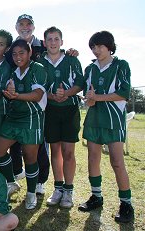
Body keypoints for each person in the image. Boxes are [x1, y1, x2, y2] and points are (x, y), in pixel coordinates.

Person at [78, 31, 134, 223]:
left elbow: (124, 93)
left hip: (113, 121)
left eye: (99, 46)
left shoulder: (121, 65)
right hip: (94, 119)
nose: (96, 50)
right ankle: (96, 196)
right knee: (93, 158)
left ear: (109, 46)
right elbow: (89, 99)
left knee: (117, 162)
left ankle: (126, 204)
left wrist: (97, 97)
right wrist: (90, 100)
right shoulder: (90, 69)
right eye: (93, 47)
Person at [0, 39, 47, 209]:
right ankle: (11, 182)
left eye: (21, 53)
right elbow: (7, 93)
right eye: (15, 54)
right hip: (13, 117)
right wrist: (7, 93)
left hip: (31, 118)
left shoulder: (37, 69)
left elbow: (37, 95)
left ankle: (31, 193)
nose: (18, 57)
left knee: (30, 157)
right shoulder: (13, 73)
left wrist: (16, 95)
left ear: (29, 53)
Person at [37, 27, 84, 208]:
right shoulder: (41, 62)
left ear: (62, 42)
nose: (53, 42)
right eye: (49, 39)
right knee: (55, 151)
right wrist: (51, 96)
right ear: (44, 42)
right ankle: (58, 188)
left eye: (56, 39)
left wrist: (67, 94)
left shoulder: (72, 59)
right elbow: (38, 87)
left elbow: (81, 82)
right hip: (51, 111)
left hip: (70, 109)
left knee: (68, 152)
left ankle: (68, 190)